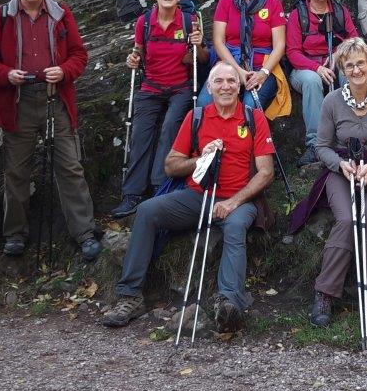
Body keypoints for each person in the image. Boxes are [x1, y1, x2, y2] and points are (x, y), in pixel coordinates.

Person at [100, 62, 275, 332]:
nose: (226, 86)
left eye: (231, 81)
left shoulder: (254, 118)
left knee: (237, 225)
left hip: (238, 200)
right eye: (219, 81)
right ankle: (130, 296)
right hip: (197, 196)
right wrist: (200, 159)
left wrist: (232, 202)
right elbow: (171, 165)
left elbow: (265, 173)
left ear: (239, 86)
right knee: (147, 211)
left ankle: (230, 304)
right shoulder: (196, 117)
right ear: (209, 87)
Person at [0, 0, 102, 262]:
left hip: (54, 97)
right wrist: (7, 74)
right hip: (16, 101)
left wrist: (64, 71)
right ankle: (15, 234)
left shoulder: (61, 14)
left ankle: (84, 233)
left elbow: (79, 55)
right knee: (15, 170)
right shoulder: (1, 16)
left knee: (70, 166)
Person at [288, 38, 367, 327]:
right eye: (349, 65)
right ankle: (325, 293)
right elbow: (322, 145)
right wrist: (339, 164)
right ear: (342, 68)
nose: (355, 69)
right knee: (346, 218)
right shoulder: (332, 100)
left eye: (360, 63)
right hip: (342, 169)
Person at [113, 0, 207, 219]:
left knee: (169, 128)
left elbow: (203, 59)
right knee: (140, 132)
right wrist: (133, 59)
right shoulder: (144, 23)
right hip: (151, 87)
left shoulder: (189, 21)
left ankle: (159, 185)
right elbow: (139, 54)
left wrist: (198, 45)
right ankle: (131, 194)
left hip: (180, 88)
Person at [285, 0, 361, 166]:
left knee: (351, 74)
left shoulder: (339, 11)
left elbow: (354, 40)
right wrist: (316, 68)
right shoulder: (297, 15)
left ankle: (350, 136)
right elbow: (292, 52)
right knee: (312, 81)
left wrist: (337, 55)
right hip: (305, 68)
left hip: (335, 62)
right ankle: (316, 144)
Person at [205, 0, 286, 111]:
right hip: (229, 64)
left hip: (261, 66)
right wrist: (238, 71)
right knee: (205, 103)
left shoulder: (273, 3)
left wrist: (263, 73)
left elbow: (280, 45)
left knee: (249, 107)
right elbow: (219, 42)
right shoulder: (225, 1)